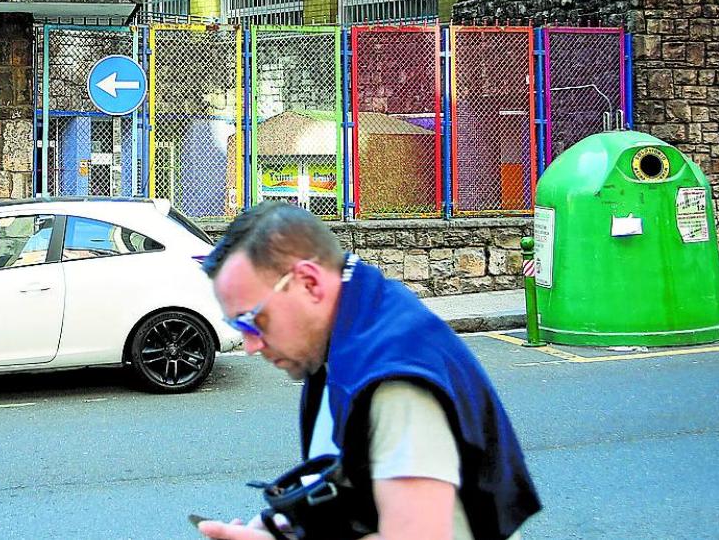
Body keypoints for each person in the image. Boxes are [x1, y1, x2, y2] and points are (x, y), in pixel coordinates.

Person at [197, 201, 540, 540]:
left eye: (253, 321)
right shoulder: (350, 321)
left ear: (309, 283)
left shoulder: (394, 380)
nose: (249, 345)